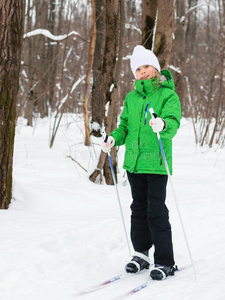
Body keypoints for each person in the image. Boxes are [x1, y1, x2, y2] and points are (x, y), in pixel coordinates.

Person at [101, 45, 181, 280]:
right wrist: (114, 138)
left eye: (146, 66)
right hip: (134, 164)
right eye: (137, 68)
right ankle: (141, 254)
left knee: (156, 212)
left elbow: (173, 122)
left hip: (156, 164)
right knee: (138, 211)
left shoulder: (168, 95)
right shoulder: (131, 98)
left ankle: (165, 261)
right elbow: (125, 126)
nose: (142, 71)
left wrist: (163, 125)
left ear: (155, 68)